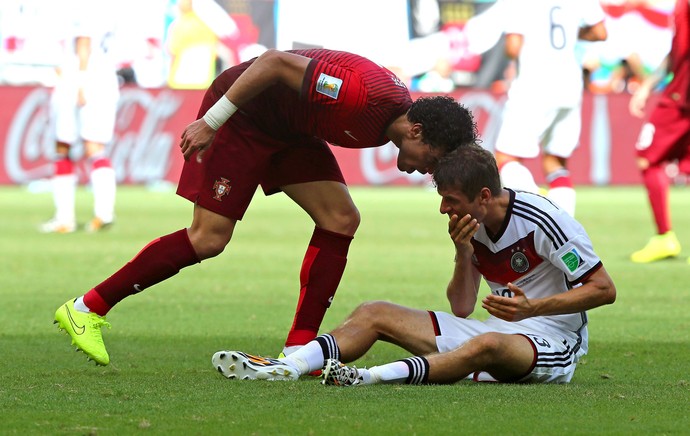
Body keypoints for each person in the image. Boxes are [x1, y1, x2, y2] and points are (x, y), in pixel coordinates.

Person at [54, 48, 478, 366]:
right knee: (208, 239)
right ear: (417, 131)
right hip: (245, 118)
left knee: (341, 218)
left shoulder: (394, 117)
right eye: (434, 158)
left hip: (289, 129)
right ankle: (85, 309)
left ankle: (299, 348)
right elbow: (274, 63)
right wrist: (212, 121)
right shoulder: (357, 96)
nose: (429, 170)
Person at [213, 144, 616, 385]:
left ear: (485, 195)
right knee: (374, 312)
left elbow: (604, 289)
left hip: (555, 341)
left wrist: (533, 308)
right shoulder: (470, 225)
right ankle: (288, 367)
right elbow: (462, 307)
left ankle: (368, 378)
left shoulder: (544, 220)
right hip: (499, 329)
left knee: (487, 345)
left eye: (451, 199)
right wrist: (463, 254)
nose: (443, 208)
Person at [493, 0, 607, 217]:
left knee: (505, 158)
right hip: (570, 85)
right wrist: (573, 33)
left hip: (534, 84)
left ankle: (538, 207)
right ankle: (565, 229)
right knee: (555, 161)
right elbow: (600, 32)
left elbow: (513, 47)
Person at [40, 0, 119, 234]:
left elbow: (83, 43)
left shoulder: (83, 7)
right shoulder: (108, 9)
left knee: (63, 145)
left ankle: (65, 218)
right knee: (96, 147)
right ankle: (104, 213)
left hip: (80, 82)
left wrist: (81, 82)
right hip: (106, 80)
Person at [629, 0, 690, 264]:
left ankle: (664, 236)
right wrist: (648, 85)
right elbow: (676, 52)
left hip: (681, 98)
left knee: (647, 157)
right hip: (678, 91)